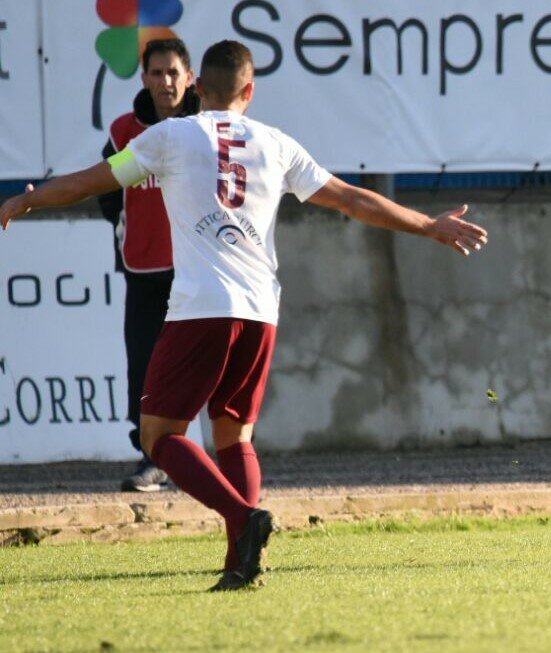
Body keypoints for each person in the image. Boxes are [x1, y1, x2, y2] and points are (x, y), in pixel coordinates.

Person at [0, 40, 489, 591]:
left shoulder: (169, 136)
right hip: (260, 311)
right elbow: (352, 198)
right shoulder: (276, 144)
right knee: (235, 438)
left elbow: (91, 181)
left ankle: (242, 518)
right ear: (250, 92)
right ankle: (240, 565)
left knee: (160, 436)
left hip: (200, 309)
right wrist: (428, 224)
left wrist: (27, 200)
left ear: (197, 90)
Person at [97, 38, 200, 493]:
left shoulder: (208, 127)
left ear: (191, 77)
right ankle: (151, 458)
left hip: (200, 272)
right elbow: (106, 191)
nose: (166, 81)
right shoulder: (124, 132)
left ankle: (230, 459)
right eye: (157, 73)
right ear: (143, 79)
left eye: (174, 72)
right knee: (144, 366)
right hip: (142, 270)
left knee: (210, 368)